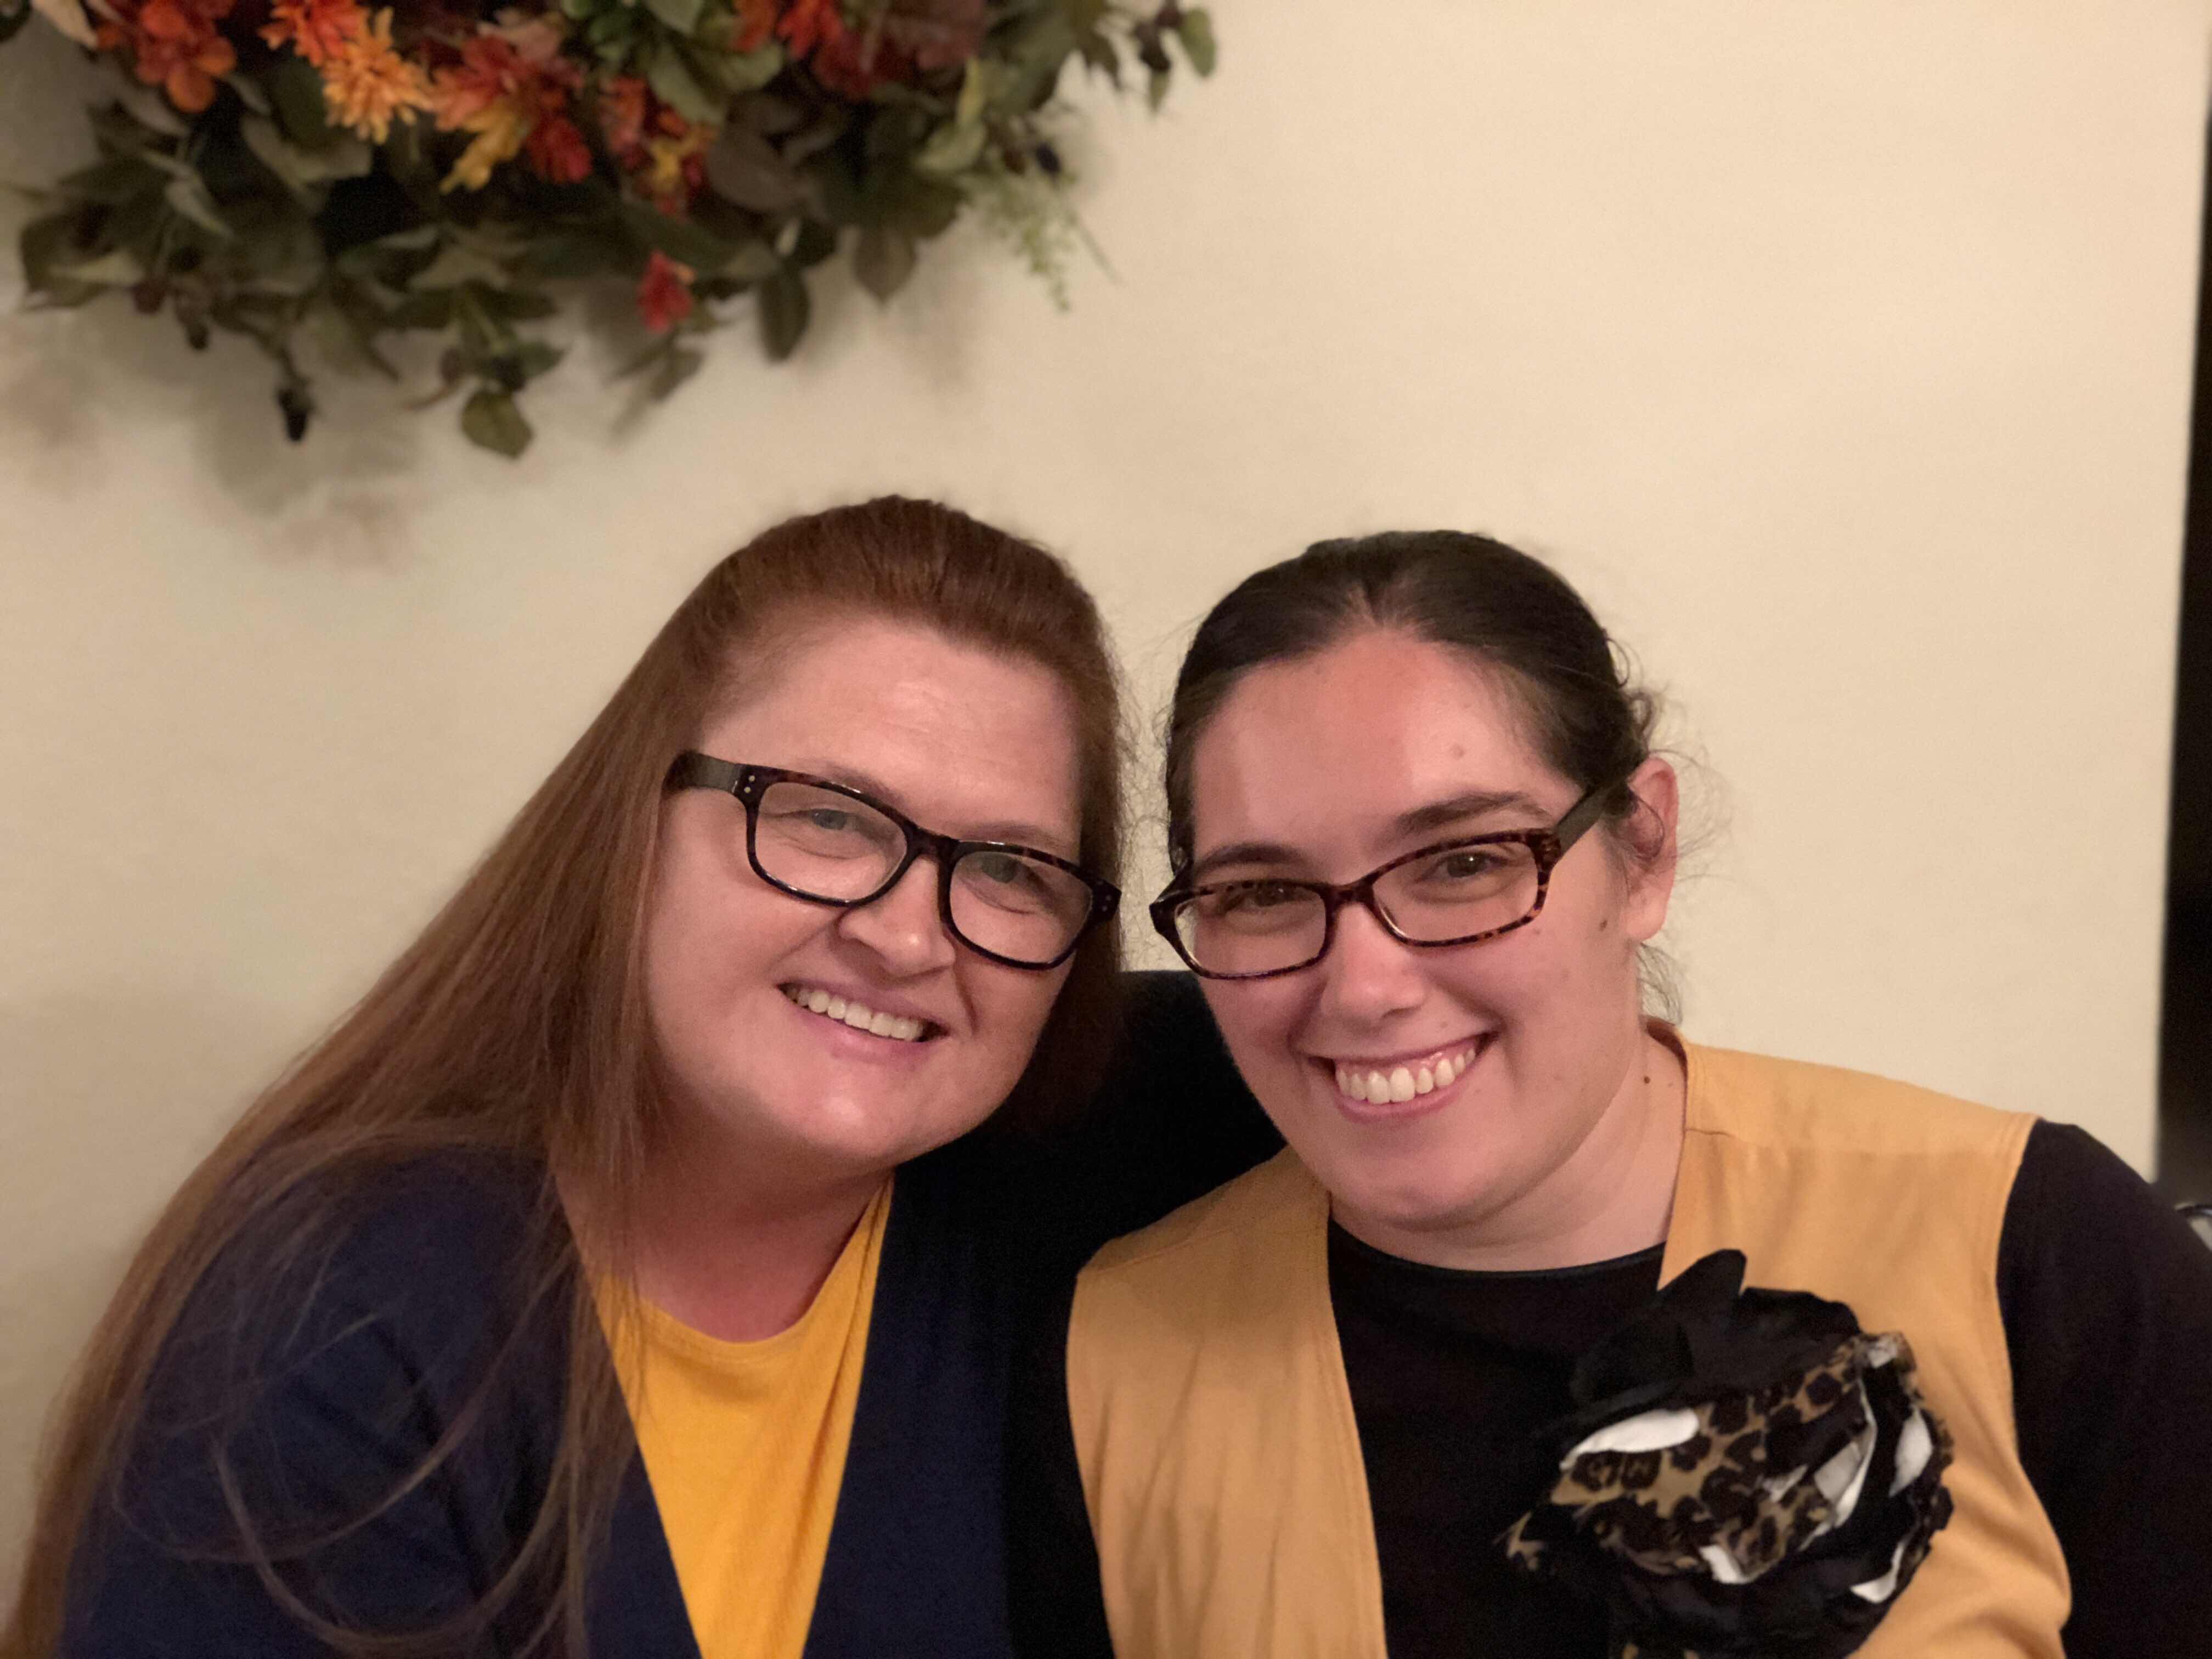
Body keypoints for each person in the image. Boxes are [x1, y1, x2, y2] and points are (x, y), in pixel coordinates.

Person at [4, 498, 1278, 1659]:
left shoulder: (1080, 1173)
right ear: (635, 823)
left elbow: (1354, 1029)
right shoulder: (340, 1312)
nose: (907, 938)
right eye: (827, 817)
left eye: (1009, 870)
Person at [1008, 531, 2212, 1659]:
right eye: (1264, 893)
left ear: (1642, 851)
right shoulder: (1112, 1359)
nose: (1365, 988)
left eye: (1465, 862)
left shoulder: (2033, 1247)